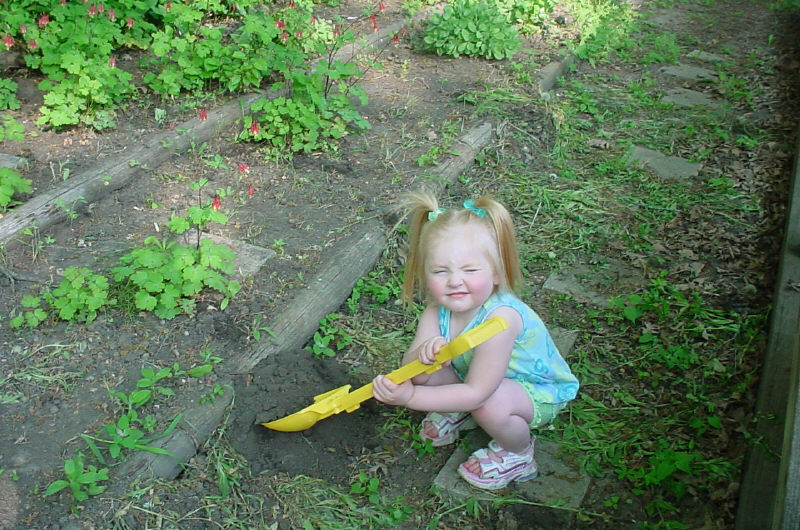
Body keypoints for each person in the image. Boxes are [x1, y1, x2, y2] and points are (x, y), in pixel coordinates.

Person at [372, 192, 579, 490]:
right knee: (429, 371)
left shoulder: (500, 321)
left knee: (488, 405)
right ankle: (455, 410)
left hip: (535, 391)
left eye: (470, 270)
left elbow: (478, 393)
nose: (455, 280)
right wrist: (422, 356)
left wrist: (410, 398)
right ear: (424, 273)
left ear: (496, 273)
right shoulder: (435, 312)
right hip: (477, 377)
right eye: (440, 271)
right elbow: (411, 369)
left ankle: (518, 452)